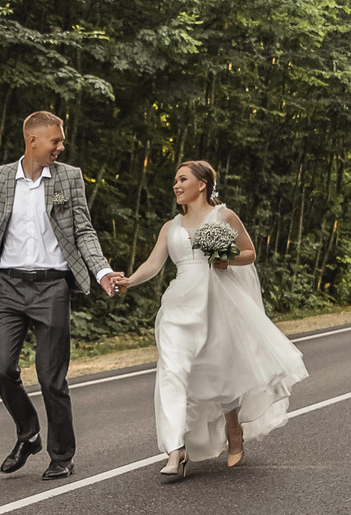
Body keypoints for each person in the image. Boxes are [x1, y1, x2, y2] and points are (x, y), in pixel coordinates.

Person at [0, 112, 124, 480]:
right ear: (32, 141)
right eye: (55, 141)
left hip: (52, 287)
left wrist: (102, 272)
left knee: (51, 378)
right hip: (7, 287)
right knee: (3, 369)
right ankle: (28, 433)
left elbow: (84, 231)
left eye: (61, 141)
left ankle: (61, 455)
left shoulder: (69, 178)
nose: (61, 147)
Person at [119, 160, 308, 480]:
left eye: (182, 179)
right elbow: (153, 264)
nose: (176, 185)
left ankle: (233, 428)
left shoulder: (224, 216)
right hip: (180, 305)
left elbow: (249, 253)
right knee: (172, 374)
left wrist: (225, 258)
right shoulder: (171, 226)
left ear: (202, 184)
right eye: (175, 181)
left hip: (217, 301)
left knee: (219, 372)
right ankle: (175, 449)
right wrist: (128, 281)